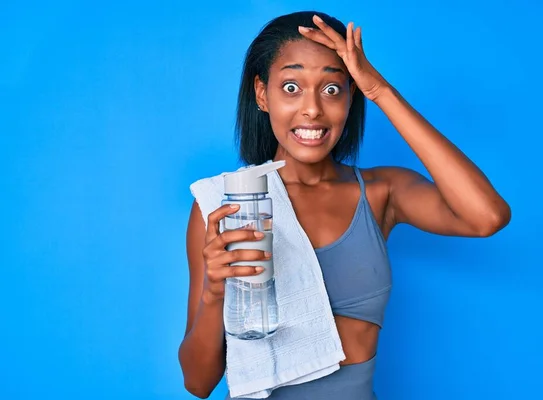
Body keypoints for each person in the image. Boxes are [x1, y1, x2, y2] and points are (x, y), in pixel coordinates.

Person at [178, 10, 511, 400]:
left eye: (332, 89)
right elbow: (198, 384)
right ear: (262, 94)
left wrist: (380, 90)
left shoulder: (382, 192)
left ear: (352, 96)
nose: (313, 109)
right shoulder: (226, 206)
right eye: (291, 87)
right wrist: (214, 293)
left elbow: (487, 216)